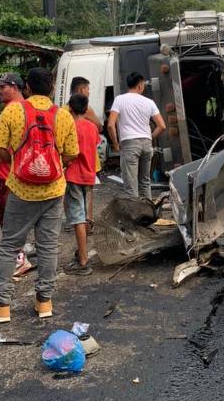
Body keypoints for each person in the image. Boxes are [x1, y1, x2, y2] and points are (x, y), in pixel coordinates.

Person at [0, 67, 78, 324]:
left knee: (10, 245)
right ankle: (44, 301)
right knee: (48, 247)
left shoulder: (13, 111)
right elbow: (72, 153)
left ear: (26, 87)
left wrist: (17, 161)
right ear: (51, 87)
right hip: (54, 190)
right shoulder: (63, 115)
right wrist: (54, 166)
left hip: (21, 189)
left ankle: (2, 305)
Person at [0, 72, 32, 278]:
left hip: (8, 173)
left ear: (14, 87)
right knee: (18, 217)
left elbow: (0, 145)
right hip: (21, 172)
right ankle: (19, 253)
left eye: (2, 87)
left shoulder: (10, 111)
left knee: (8, 217)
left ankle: (18, 258)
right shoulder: (29, 109)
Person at [107, 72, 166, 200]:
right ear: (140, 85)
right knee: (145, 183)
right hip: (146, 144)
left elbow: (111, 125)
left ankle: (135, 218)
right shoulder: (149, 102)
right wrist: (149, 137)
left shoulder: (119, 100)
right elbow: (162, 126)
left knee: (131, 186)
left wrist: (116, 144)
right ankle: (148, 216)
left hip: (129, 144)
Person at [64, 93, 99, 275]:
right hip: (89, 175)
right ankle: (82, 252)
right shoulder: (92, 128)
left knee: (77, 217)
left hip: (74, 176)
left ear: (70, 108)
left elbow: (70, 153)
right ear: (86, 109)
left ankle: (83, 260)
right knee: (84, 215)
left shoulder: (71, 127)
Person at [70, 76, 102, 227]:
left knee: (74, 201)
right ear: (81, 90)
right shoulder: (88, 115)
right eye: (88, 89)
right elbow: (99, 127)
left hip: (72, 170)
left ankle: (75, 222)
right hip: (89, 167)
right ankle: (87, 223)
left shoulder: (64, 110)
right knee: (87, 198)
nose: (89, 92)